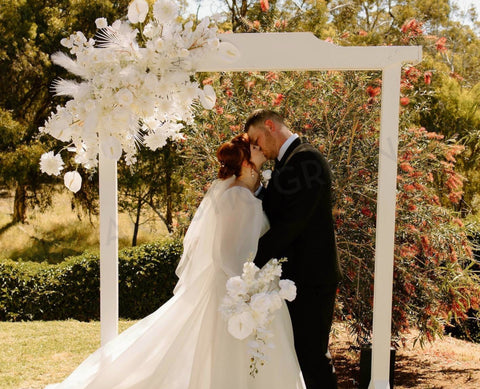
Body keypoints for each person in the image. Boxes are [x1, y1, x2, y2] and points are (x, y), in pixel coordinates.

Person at [44, 133, 305, 389]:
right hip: (236, 295)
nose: (261, 148)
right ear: (247, 162)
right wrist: (253, 291)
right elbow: (229, 255)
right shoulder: (240, 198)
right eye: (255, 148)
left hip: (237, 290)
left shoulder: (242, 193)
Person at [245, 109, 342, 389]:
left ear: (270, 126)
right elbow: (280, 207)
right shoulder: (289, 161)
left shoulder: (306, 159)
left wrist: (250, 261)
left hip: (311, 279)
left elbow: (291, 224)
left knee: (312, 358)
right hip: (298, 277)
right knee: (300, 357)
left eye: (256, 140)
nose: (256, 147)